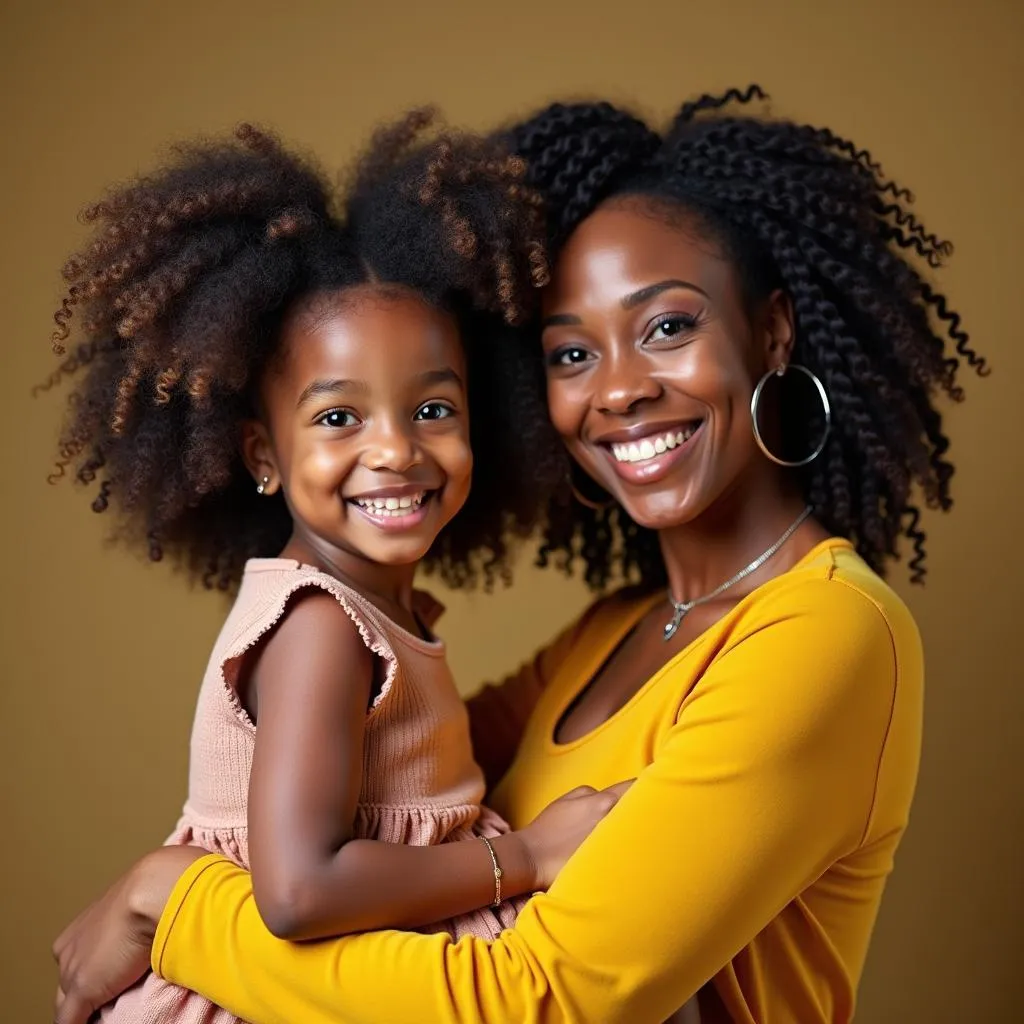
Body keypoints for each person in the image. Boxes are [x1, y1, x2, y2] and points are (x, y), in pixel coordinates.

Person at [52, 86, 985, 1024]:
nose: (617, 389)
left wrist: (165, 902)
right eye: (571, 353)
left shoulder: (823, 633)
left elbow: (535, 1002)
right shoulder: (608, 633)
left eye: (668, 326)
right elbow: (373, 790)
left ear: (772, 331)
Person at [46, 113, 636, 1024]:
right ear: (261, 455)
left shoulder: (370, 610)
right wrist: (525, 860)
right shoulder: (320, 627)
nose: (396, 451)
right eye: (337, 418)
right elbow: (299, 890)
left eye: (432, 408)